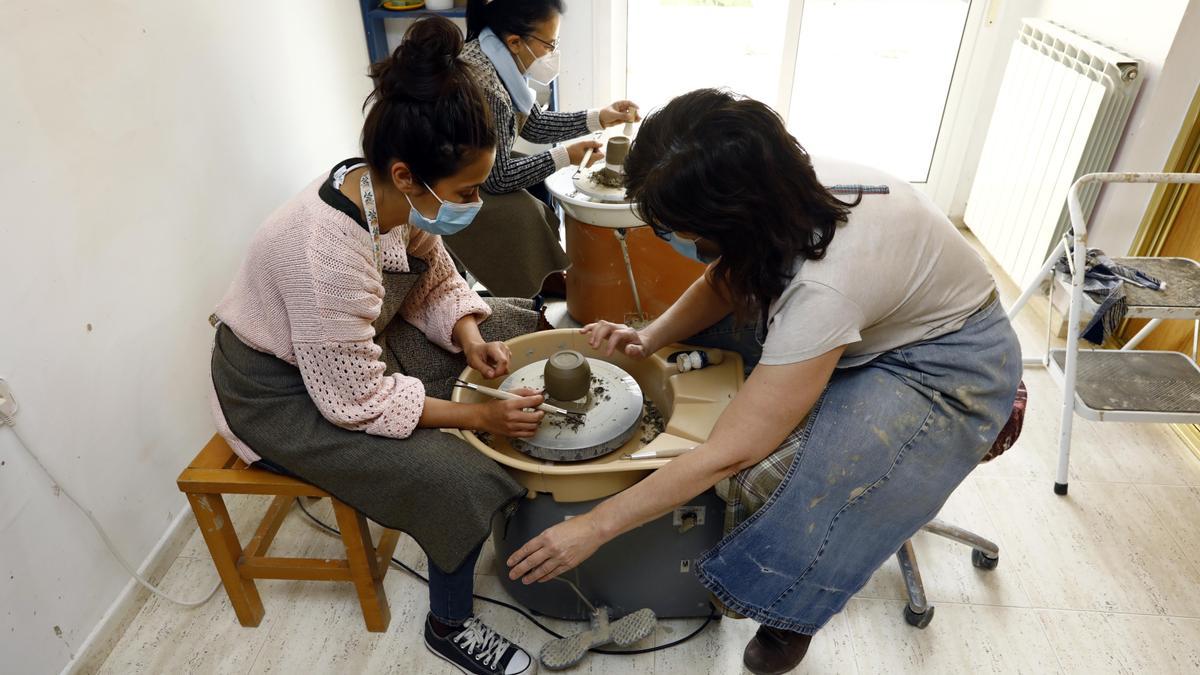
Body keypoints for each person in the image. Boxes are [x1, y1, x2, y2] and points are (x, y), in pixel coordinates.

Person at [504, 89, 1022, 675]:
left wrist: (595, 525)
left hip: (947, 364)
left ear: (733, 221)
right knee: (721, 358)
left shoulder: (826, 285)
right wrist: (652, 339)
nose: (676, 240)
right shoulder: (782, 187)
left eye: (682, 230)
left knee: (786, 481)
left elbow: (734, 449)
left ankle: (789, 613)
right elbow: (729, 274)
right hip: (877, 315)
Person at [208, 17, 542, 675]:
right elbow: (354, 400)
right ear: (407, 175)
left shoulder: (386, 195)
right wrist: (475, 415)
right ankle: (449, 623)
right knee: (456, 473)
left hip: (351, 344)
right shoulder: (325, 252)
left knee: (515, 325)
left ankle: (491, 425)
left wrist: (470, 336)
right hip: (281, 391)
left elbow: (435, 272)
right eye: (467, 192)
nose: (473, 203)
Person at [445, 0, 641, 298]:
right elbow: (497, 180)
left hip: (470, 163)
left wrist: (600, 117)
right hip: (450, 181)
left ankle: (545, 274)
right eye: (549, 44)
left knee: (540, 182)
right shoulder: (485, 85)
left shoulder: (495, 55)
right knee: (527, 212)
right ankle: (527, 291)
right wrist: (566, 156)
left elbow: (534, 124)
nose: (552, 53)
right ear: (515, 42)